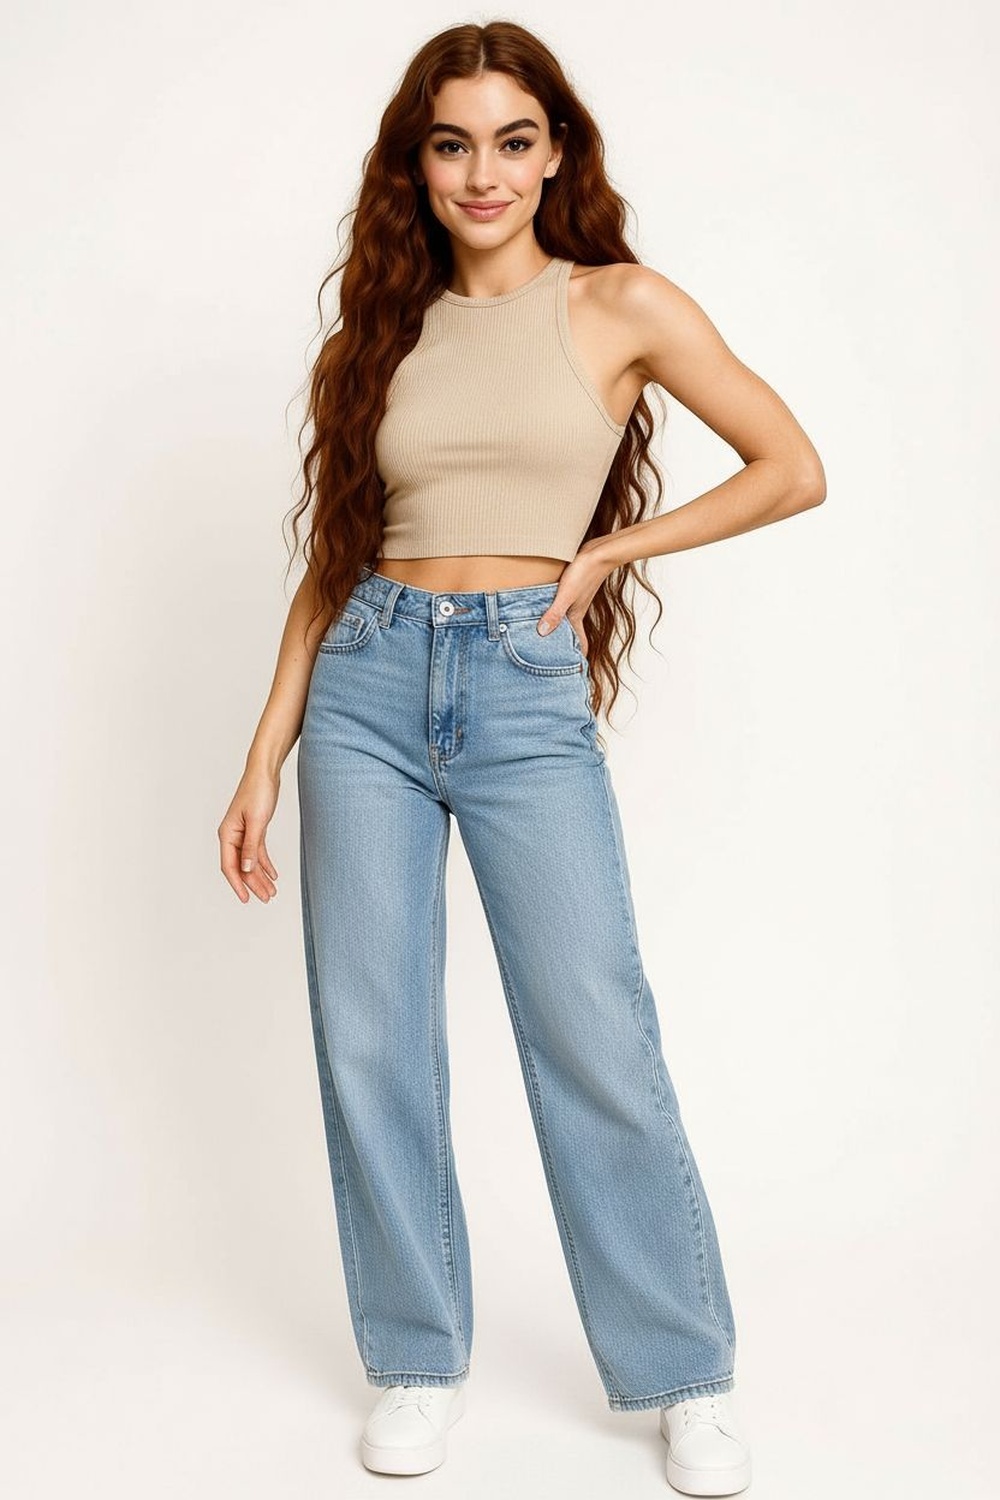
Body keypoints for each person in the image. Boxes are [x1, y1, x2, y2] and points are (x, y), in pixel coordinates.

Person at [217, 19, 824, 1496]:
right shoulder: (382, 331)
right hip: (366, 685)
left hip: (520, 687)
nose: (481, 173)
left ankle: (682, 1376)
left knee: (592, 1030)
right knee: (370, 1034)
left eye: (511, 140)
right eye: (451, 144)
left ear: (555, 154)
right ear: (415, 165)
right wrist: (263, 755)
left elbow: (792, 467)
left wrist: (612, 547)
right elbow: (336, 562)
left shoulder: (620, 305)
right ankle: (416, 1361)